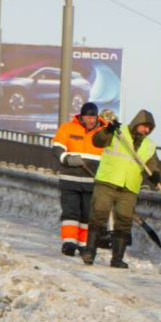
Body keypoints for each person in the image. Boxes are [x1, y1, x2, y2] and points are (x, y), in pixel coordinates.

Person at [82, 109, 161, 269]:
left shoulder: (149, 145)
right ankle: (90, 252)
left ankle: (117, 258)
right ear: (137, 123)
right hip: (107, 181)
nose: (146, 130)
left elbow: (152, 163)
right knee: (99, 215)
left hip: (129, 187)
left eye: (149, 129)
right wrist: (107, 131)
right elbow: (97, 141)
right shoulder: (118, 131)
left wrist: (155, 174)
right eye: (144, 126)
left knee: (124, 221)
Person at [51, 101, 107, 256]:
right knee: (70, 213)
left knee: (87, 214)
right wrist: (67, 159)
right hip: (70, 179)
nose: (91, 120)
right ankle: (69, 243)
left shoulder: (103, 133)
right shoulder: (68, 128)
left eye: (93, 117)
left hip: (92, 181)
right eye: (88, 117)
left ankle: (83, 244)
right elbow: (57, 148)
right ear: (81, 117)